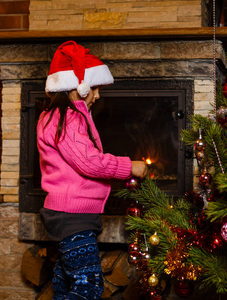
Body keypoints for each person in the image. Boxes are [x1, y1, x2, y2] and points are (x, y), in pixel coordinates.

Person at [37, 40, 147, 299]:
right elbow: (90, 162)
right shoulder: (68, 119)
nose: (98, 95)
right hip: (72, 217)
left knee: (65, 282)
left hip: (68, 214)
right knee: (89, 288)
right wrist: (128, 166)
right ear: (79, 86)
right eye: (95, 89)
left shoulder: (53, 116)